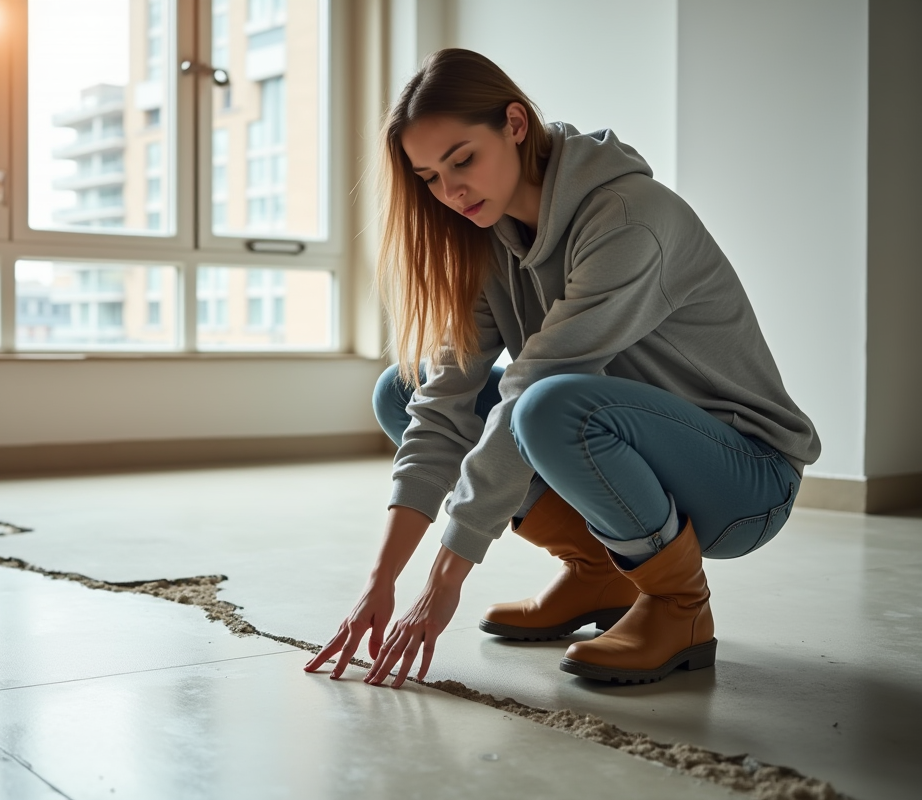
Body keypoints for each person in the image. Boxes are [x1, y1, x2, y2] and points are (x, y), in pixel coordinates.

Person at [303, 49, 820, 687]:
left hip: (744, 479)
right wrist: (379, 584)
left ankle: (680, 606)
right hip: (629, 449)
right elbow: (442, 409)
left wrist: (444, 582)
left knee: (545, 405)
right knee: (403, 391)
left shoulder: (628, 221)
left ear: (515, 124)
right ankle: (597, 570)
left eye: (463, 159)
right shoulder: (489, 239)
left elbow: (529, 393)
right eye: (430, 177)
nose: (451, 191)